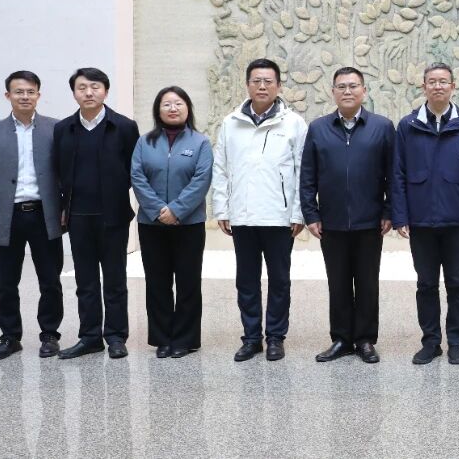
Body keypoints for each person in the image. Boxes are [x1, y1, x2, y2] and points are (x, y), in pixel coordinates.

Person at [213, 59, 308, 363]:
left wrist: (298, 213)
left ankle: (276, 337)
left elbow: (302, 171)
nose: (262, 86)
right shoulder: (231, 123)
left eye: (268, 81)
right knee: (246, 281)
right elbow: (221, 168)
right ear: (247, 85)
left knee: (279, 281)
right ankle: (251, 338)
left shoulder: (293, 123)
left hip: (279, 217)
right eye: (256, 81)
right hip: (242, 215)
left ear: (278, 86)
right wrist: (222, 208)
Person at [392, 63, 459, 365]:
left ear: (453, 86)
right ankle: (430, 342)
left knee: (457, 283)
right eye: (432, 82)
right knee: (426, 284)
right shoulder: (408, 126)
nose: (438, 86)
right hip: (421, 221)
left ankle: (456, 342)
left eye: (443, 81)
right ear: (423, 87)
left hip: (456, 221)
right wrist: (400, 216)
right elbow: (398, 174)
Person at [300, 67, 393, 364]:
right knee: (337, 282)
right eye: (341, 86)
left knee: (367, 283)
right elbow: (308, 175)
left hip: (370, 221)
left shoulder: (382, 127)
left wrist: (389, 210)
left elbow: (393, 174)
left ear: (364, 90)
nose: (347, 91)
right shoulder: (318, 128)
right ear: (333, 92)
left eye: (353, 86)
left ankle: (365, 340)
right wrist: (311, 213)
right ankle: (341, 338)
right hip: (332, 221)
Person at [0, 71, 64, 360]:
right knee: (5, 283)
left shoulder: (56, 129)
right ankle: (10, 337)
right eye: (19, 92)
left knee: (50, 280)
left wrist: (65, 209)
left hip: (44, 214)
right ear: (8, 95)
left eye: (30, 91)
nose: (25, 96)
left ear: (38, 95)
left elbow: (66, 173)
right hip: (5, 217)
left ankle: (50, 335)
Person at [52, 67, 140, 360]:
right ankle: (89, 337)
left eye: (95, 87)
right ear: (74, 92)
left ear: (106, 91)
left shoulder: (124, 127)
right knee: (85, 281)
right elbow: (58, 172)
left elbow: (134, 170)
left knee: (115, 280)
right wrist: (62, 208)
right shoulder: (63, 129)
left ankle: (115, 336)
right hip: (78, 217)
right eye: (82, 88)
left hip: (113, 216)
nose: (88, 92)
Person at [130, 86, 213, 358]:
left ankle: (185, 339)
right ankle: (162, 338)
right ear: (158, 110)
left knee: (188, 282)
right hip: (151, 224)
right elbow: (137, 177)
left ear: (188, 108)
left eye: (178, 103)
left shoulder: (200, 143)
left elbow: (201, 180)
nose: (173, 108)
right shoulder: (145, 142)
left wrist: (177, 210)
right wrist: (157, 210)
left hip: (189, 224)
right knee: (157, 282)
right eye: (166, 104)